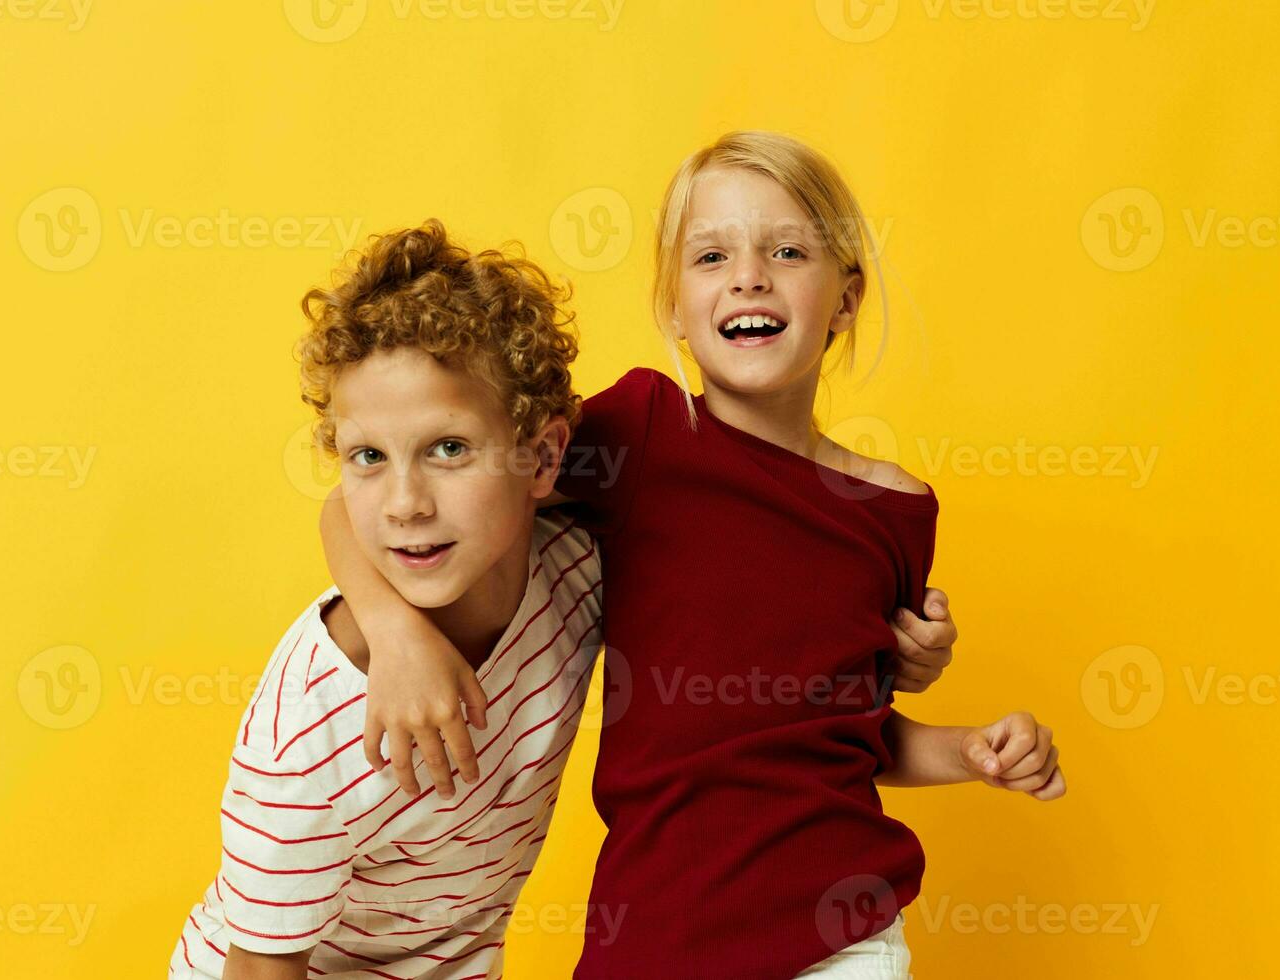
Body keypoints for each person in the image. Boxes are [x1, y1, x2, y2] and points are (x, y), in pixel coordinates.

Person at [322, 132, 1066, 979]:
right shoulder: (641, 433)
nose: (750, 275)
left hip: (839, 936)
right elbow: (351, 513)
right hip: (654, 934)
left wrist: (969, 752)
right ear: (675, 306)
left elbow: (845, 733)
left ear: (847, 299)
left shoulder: (894, 509)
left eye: (788, 251)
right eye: (712, 255)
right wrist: (395, 635)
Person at [170, 220, 601, 979]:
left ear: (542, 456)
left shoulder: (578, 563)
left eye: (448, 449)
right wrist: (393, 633)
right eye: (368, 456)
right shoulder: (311, 725)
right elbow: (261, 968)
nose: (405, 504)